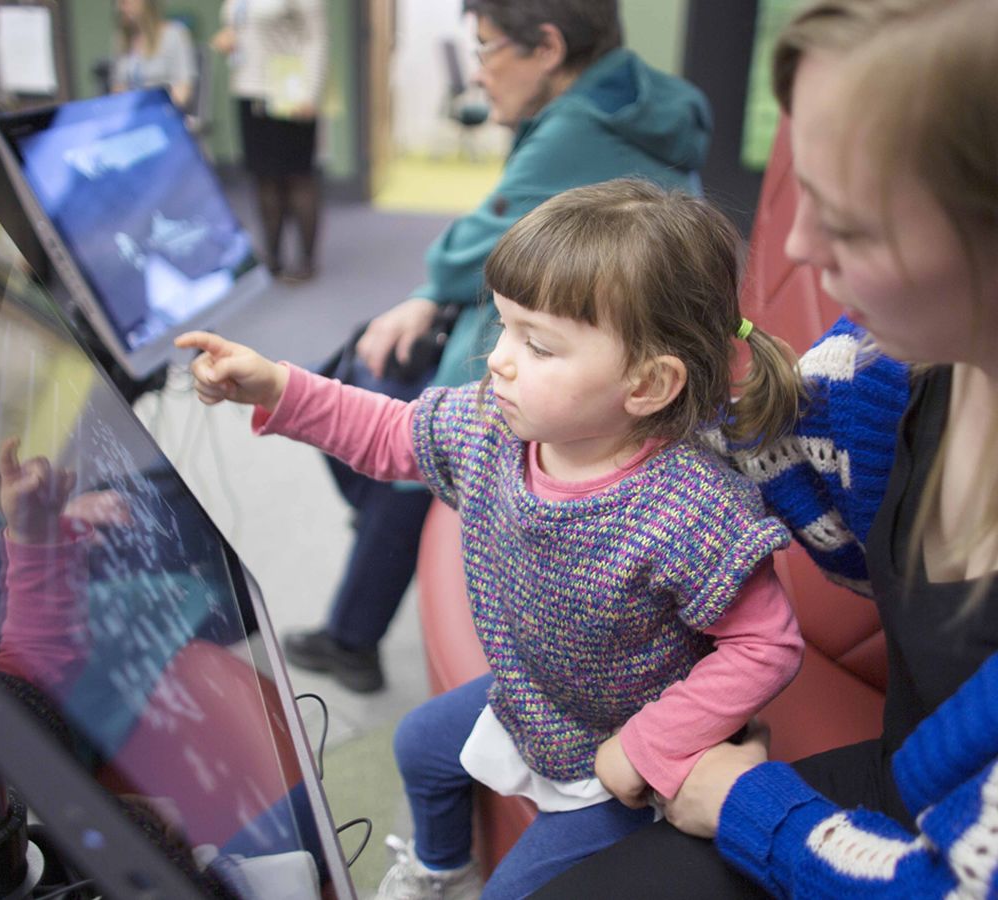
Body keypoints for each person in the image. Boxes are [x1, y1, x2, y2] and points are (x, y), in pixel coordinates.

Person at [176, 178, 809, 897]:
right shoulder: (491, 425)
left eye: (538, 345)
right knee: (419, 744)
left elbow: (768, 644)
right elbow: (391, 431)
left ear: (646, 384)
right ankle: (442, 869)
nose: (500, 358)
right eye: (506, 326)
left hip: (619, 752)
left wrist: (647, 747)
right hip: (538, 695)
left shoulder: (690, 507)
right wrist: (277, 388)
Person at [533, 0, 998, 896]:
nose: (793, 246)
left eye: (851, 226)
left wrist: (755, 806)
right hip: (915, 786)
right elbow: (760, 411)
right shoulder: (893, 367)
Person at [282, 0, 713, 694]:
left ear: (545, 47)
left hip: (600, 352)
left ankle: (351, 631)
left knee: (402, 402)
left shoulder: (577, 126)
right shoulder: (638, 100)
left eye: (485, 50)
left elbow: (475, 249)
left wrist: (433, 288)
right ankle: (358, 606)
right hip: (622, 325)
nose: (478, 75)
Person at [210, 0, 328, 283]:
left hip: (290, 90)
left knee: (297, 176)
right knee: (263, 176)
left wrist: (310, 92)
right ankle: (272, 259)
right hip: (248, 91)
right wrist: (229, 39)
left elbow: (316, 37)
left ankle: (306, 262)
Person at [111, 0, 197, 111]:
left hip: (165, 113)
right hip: (132, 116)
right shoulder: (122, 40)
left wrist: (156, 112)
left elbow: (183, 89)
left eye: (125, 2)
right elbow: (118, 89)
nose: (120, 7)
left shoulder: (175, 34)